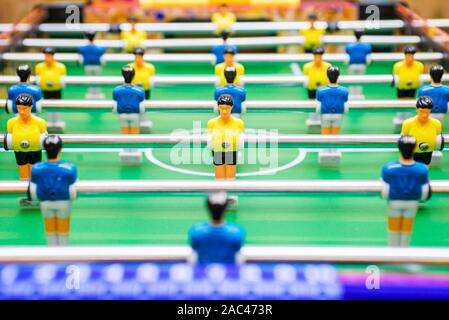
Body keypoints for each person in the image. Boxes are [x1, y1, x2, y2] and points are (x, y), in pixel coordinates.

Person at [381, 136, 431, 247]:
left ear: (399, 149)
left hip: (394, 202)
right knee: (406, 229)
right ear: (414, 149)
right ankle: (404, 249)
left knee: (393, 229)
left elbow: (384, 190)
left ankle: (393, 249)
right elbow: (425, 191)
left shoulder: (389, 168)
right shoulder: (421, 169)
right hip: (412, 203)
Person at [29, 135, 77, 246]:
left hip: (45, 203)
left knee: (49, 229)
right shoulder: (69, 168)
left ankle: (52, 249)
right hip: (64, 202)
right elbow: (73, 191)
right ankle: (63, 250)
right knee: (63, 229)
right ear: (60, 149)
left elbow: (33, 189)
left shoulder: (36, 168)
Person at [189, 191, 245, 264]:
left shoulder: (196, 232)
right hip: (228, 274)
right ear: (226, 208)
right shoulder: (236, 233)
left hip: (204, 274)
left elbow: (193, 257)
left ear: (208, 207)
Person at [4, 94, 47, 180]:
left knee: (34, 174)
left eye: (25, 109)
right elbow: (9, 135)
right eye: (19, 108)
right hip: (20, 151)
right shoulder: (11, 123)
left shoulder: (40, 123)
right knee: (23, 176)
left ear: (30, 107)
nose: (22, 111)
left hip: (35, 151)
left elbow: (43, 135)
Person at [207, 94, 244, 180]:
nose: (224, 111)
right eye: (221, 108)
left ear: (231, 107)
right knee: (219, 178)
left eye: (227, 108)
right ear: (218, 107)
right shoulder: (211, 123)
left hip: (231, 151)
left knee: (230, 178)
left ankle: (231, 192)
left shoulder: (239, 123)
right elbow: (210, 142)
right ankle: (219, 193)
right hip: (218, 152)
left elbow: (240, 142)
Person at [401, 96, 444, 166]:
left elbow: (438, 139)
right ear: (417, 109)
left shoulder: (437, 123)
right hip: (412, 152)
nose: (424, 115)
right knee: (411, 169)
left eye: (427, 112)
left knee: (424, 170)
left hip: (427, 152)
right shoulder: (407, 123)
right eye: (422, 111)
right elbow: (403, 140)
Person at [35, 47, 67, 132]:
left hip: (56, 90)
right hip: (45, 90)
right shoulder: (39, 66)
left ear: (53, 56)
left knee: (57, 107)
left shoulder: (60, 66)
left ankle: (56, 122)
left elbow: (63, 79)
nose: (47, 58)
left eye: (49, 56)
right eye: (46, 56)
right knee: (47, 107)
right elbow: (37, 78)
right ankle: (49, 122)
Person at [112, 65, 145, 134]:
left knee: (124, 135)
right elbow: (142, 104)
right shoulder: (140, 90)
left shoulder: (116, 90)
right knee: (134, 135)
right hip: (135, 115)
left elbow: (115, 102)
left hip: (122, 115)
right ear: (133, 76)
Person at [316, 66, 349, 134]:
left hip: (325, 114)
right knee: (335, 134)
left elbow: (318, 105)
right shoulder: (344, 90)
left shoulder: (320, 90)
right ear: (338, 76)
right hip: (338, 114)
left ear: (328, 76)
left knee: (325, 133)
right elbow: (345, 103)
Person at [78, 30, 106, 99]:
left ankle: (91, 93)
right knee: (97, 79)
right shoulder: (100, 49)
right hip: (97, 66)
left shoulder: (82, 49)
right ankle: (96, 93)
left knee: (90, 79)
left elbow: (80, 60)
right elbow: (103, 60)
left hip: (87, 66)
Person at [345, 30, 372, 99]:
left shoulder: (349, 46)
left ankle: (351, 95)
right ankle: (358, 95)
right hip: (362, 65)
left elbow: (346, 58)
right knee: (360, 81)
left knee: (351, 80)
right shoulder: (366, 46)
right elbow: (369, 59)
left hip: (352, 65)